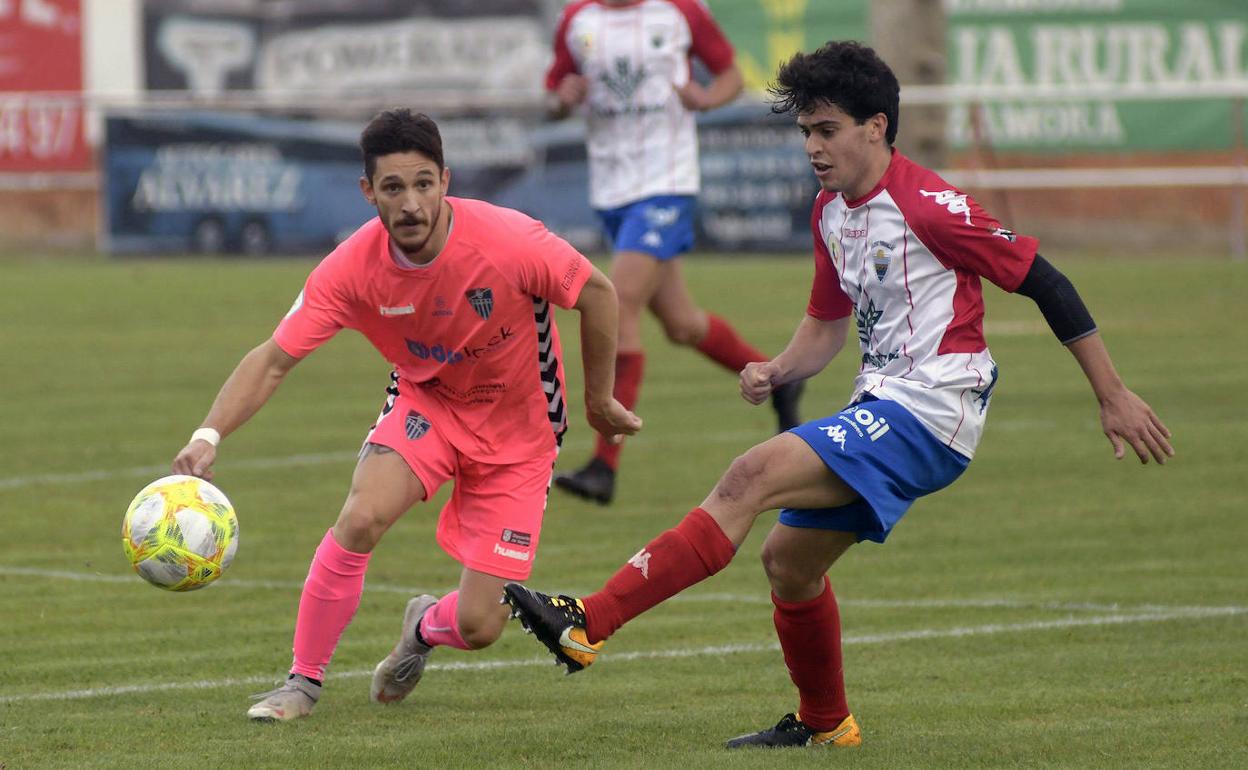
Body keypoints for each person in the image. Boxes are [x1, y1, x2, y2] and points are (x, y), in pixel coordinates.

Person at [502, 41, 1173, 749]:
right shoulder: (832, 211)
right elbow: (826, 325)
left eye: (827, 130)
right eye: (805, 133)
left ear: (876, 126)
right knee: (788, 564)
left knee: (748, 475)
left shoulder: (932, 207)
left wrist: (1114, 394)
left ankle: (586, 622)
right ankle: (827, 723)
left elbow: (1046, 280)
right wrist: (778, 367)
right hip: (881, 406)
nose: (813, 148)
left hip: (934, 407)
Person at [171, 108, 641, 722]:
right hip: (429, 407)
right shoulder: (351, 268)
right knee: (361, 516)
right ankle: (302, 683)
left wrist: (598, 400)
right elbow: (273, 360)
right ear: (369, 192)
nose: (411, 203)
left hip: (519, 437)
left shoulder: (507, 241)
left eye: (423, 183)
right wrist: (209, 435)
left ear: (446, 180)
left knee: (479, 625)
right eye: (393, 188)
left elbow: (598, 293)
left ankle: (423, 628)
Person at [545, 0, 804, 505]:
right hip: (611, 187)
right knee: (682, 324)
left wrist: (705, 99)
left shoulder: (680, 11)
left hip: (666, 182)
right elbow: (555, 90)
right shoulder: (577, 19)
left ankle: (604, 464)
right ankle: (778, 381)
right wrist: (562, 97)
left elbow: (730, 74)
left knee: (615, 304)